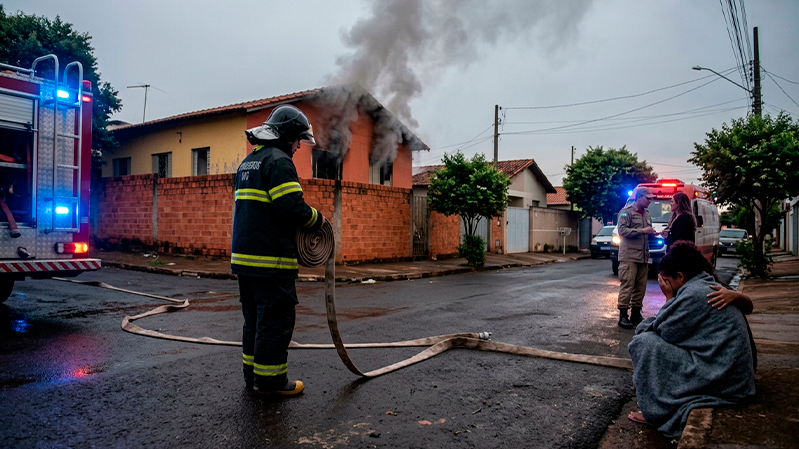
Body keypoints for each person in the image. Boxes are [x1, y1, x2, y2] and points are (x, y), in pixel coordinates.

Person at [231, 105, 325, 396]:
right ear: (286, 135)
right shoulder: (280, 161)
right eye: (298, 139)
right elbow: (291, 207)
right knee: (275, 322)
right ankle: (271, 382)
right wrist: (318, 220)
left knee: (255, 322)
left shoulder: (250, 161)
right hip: (270, 261)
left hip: (246, 261)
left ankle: (253, 377)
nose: (298, 146)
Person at [627, 242, 756, 439]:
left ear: (680, 276)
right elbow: (665, 326)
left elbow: (664, 331)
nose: (665, 285)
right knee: (648, 338)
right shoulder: (705, 284)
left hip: (724, 377)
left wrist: (669, 297)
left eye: (667, 280)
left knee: (643, 343)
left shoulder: (695, 293)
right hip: (729, 372)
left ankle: (656, 412)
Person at [615, 187, 657, 328]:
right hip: (629, 256)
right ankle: (623, 316)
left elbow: (646, 231)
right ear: (639, 198)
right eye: (647, 198)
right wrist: (642, 230)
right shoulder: (626, 212)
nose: (650, 201)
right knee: (628, 284)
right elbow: (622, 231)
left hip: (643, 255)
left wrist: (654, 233)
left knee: (640, 286)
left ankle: (636, 313)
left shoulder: (647, 214)